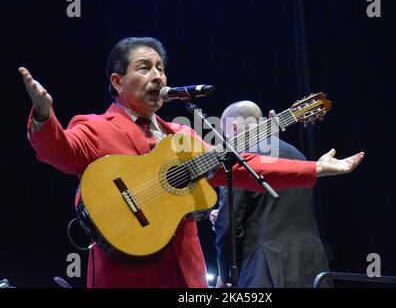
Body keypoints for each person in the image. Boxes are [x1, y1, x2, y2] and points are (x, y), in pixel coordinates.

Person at [19, 36, 364, 288]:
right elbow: (59, 151)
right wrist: (44, 115)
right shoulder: (94, 127)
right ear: (117, 80)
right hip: (123, 276)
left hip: (186, 278)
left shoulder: (181, 138)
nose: (158, 76)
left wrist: (315, 169)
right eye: (144, 67)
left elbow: (240, 165)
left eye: (161, 68)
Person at [212, 101, 339, 288]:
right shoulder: (297, 154)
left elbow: (230, 224)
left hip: (266, 269)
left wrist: (226, 276)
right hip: (313, 265)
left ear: (234, 127)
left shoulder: (239, 159)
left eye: (225, 134)